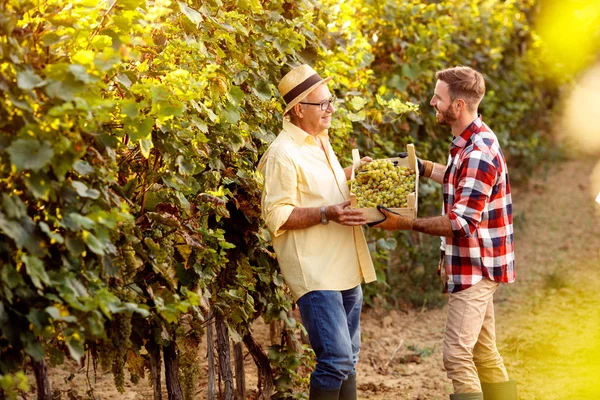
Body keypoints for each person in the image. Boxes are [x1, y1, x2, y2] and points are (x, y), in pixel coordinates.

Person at [374, 66, 517, 400]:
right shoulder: (471, 140)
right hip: (479, 262)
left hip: (475, 267)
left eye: (438, 98)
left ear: (458, 106)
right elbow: (459, 178)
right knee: (483, 351)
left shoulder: (478, 152)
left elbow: (461, 223)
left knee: (456, 355)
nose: (432, 102)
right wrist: (422, 167)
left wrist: (404, 222)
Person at [258, 64, 376, 400]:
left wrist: (354, 173)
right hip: (315, 270)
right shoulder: (283, 153)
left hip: (344, 263)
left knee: (348, 359)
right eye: (322, 104)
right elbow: (276, 214)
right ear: (299, 110)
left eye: (330, 101)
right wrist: (326, 213)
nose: (330, 109)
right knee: (336, 358)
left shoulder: (319, 141)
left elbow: (325, 187)